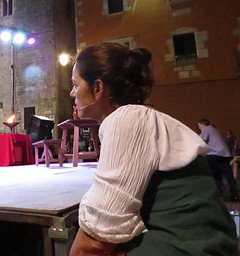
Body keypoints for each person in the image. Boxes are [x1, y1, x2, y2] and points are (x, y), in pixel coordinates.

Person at [69, 43, 236, 256]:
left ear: (98, 88)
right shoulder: (140, 116)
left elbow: (98, 236)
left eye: (75, 84)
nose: (72, 92)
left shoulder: (127, 119)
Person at [197, 119, 238, 200]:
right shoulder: (214, 130)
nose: (199, 128)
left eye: (199, 126)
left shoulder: (206, 129)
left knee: (206, 171)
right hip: (225, 155)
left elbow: (201, 142)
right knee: (227, 175)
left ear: (202, 124)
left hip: (214, 155)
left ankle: (214, 192)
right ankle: (234, 194)